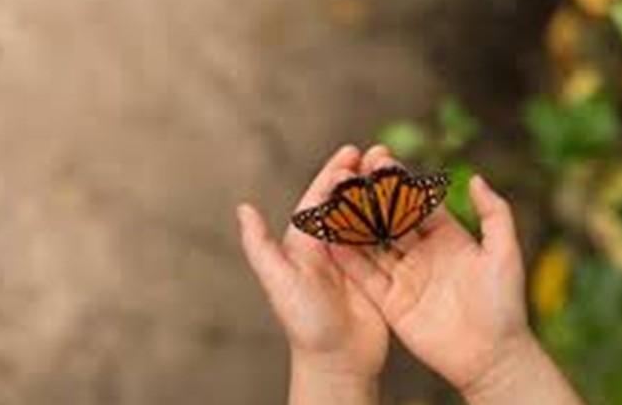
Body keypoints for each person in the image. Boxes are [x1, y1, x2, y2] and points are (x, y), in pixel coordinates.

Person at [237, 144, 585, 405]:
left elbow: (338, 220)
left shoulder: (356, 232)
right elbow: (416, 198)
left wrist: (331, 369)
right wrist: (502, 362)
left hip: (361, 216)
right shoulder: (400, 222)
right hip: (392, 210)